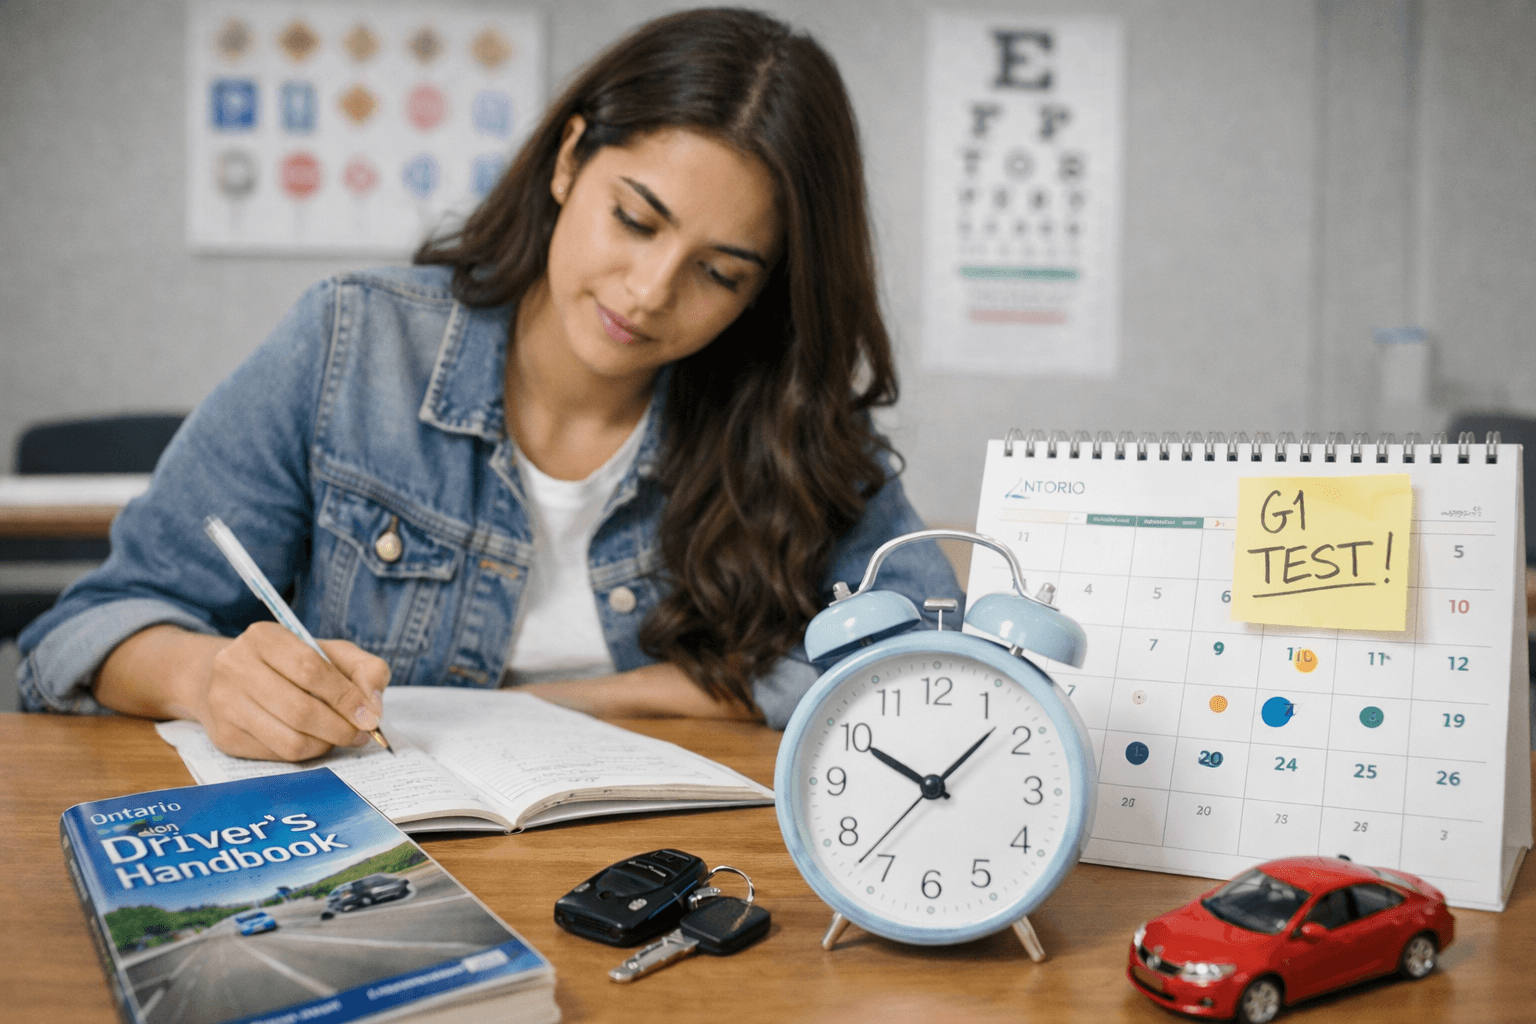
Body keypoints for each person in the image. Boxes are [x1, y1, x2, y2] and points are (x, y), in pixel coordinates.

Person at [17, 7, 960, 760]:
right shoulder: (354, 342)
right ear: (567, 161)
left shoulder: (791, 418)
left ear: (765, 293)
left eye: (720, 273)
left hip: (670, 883)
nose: (649, 291)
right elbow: (86, 629)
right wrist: (209, 677)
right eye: (635, 220)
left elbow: (934, 668)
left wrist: (596, 699)